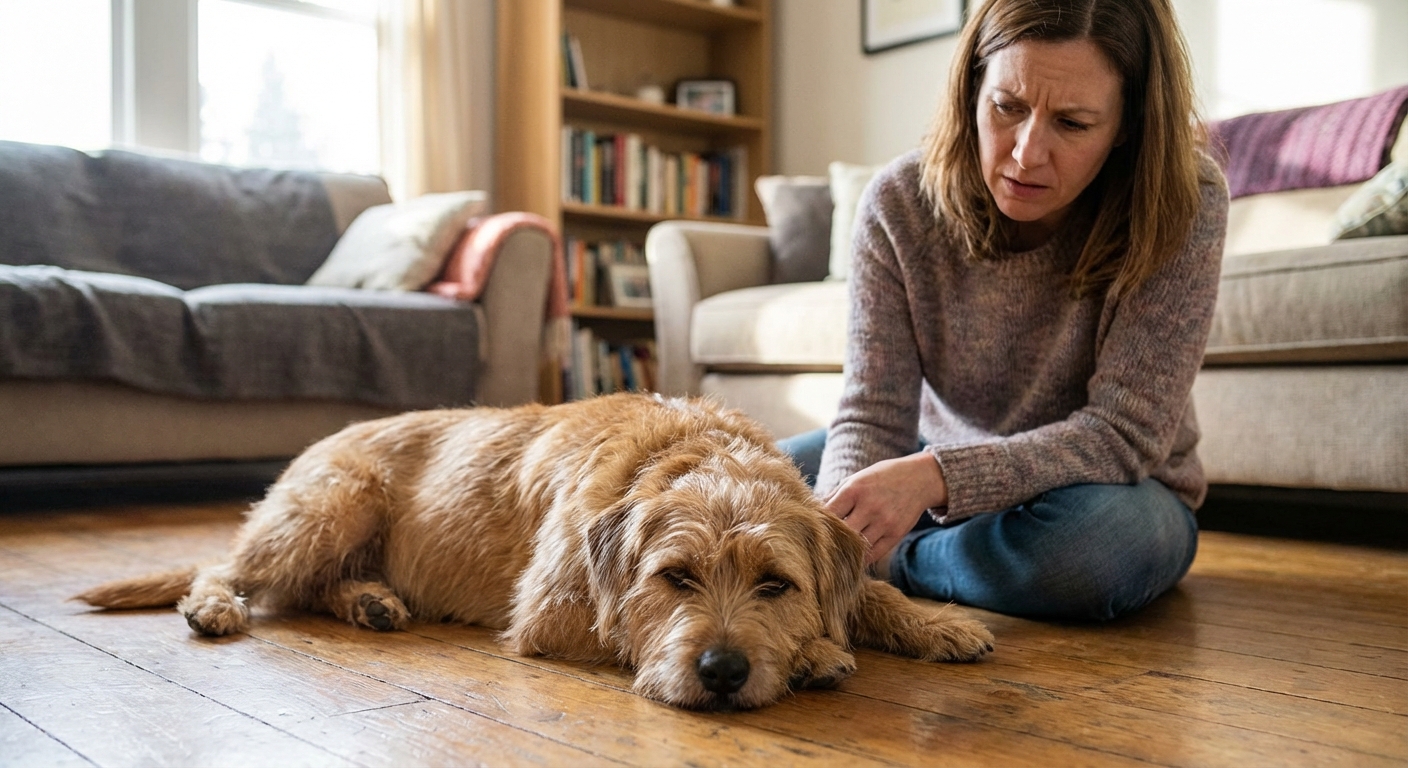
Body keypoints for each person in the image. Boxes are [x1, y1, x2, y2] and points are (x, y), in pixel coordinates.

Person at [780, 0, 1228, 622]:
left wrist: (929, 485)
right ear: (972, 88)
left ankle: (898, 563)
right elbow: (873, 413)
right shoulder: (898, 203)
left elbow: (1125, 435)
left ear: (1126, 125)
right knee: (751, 471)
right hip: (929, 452)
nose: (1025, 153)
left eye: (1072, 124)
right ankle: (917, 559)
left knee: (1093, 552)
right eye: (1007, 107)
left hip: (1111, 488)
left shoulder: (1186, 201)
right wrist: (842, 526)